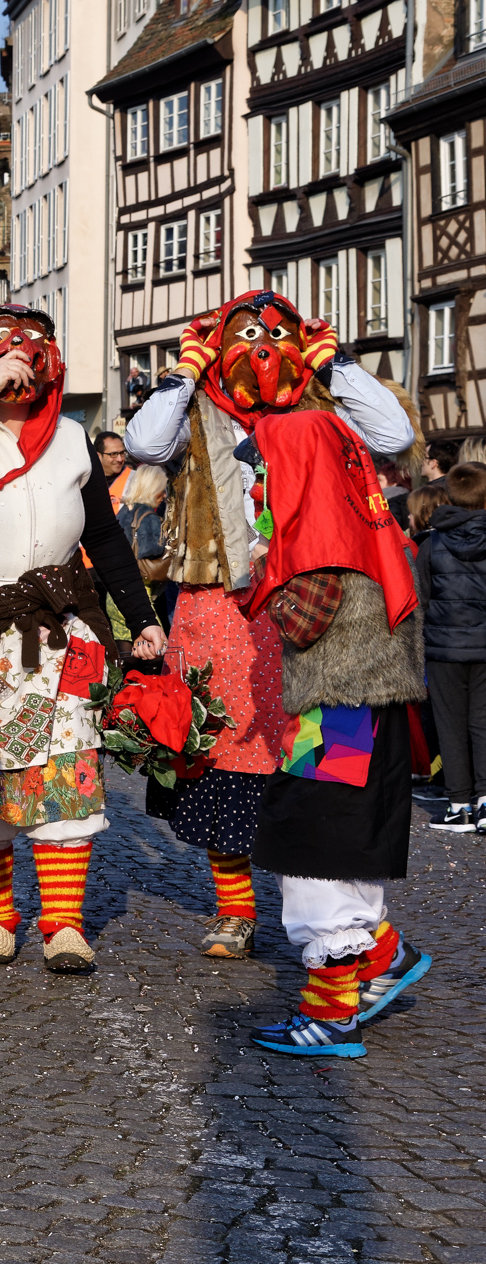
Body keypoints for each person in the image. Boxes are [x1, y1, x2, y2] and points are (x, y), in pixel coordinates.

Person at [125, 289, 416, 959]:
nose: (262, 346)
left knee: (324, 763)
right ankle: (238, 909)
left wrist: (331, 360)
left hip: (322, 606)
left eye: (276, 333)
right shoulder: (200, 406)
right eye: (247, 333)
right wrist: (186, 370)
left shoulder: (322, 407)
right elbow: (144, 443)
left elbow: (395, 435)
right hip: (219, 603)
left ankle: (350, 928)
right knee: (217, 751)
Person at [0, 305, 165, 975]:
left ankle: (64, 923)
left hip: (56, 630)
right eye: (6, 349)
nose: (23, 358)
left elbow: (102, 537)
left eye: (35, 348)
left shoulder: (73, 438)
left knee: (67, 771)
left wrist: (146, 615)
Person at [244, 378, 432, 1059]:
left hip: (339, 706)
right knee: (347, 842)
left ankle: (332, 1015)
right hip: (364, 703)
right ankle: (383, 956)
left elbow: (306, 616)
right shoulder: (355, 510)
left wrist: (260, 574)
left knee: (315, 848)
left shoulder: (320, 529)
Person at [417, 462, 486, 832]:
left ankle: (459, 804)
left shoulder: (431, 543)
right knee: (483, 724)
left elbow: (421, 600)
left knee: (450, 725)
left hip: (444, 649)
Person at [118, 461, 177, 631]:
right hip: (142, 590)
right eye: (162, 488)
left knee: (127, 643)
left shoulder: (125, 510)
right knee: (155, 644)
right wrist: (169, 542)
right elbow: (150, 550)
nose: (164, 495)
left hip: (121, 586)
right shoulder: (148, 516)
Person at [95, 431, 129, 511]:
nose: (120, 459)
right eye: (113, 454)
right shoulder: (87, 481)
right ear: (98, 456)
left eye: (122, 453)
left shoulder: (135, 479)